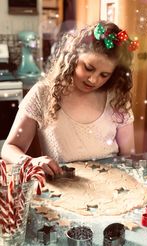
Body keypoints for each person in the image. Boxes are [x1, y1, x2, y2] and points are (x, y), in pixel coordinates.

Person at [1, 21, 137, 177]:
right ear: (73, 57)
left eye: (104, 75)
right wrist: (30, 162)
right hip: (63, 187)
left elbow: (128, 158)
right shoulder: (43, 93)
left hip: (111, 185)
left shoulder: (117, 98)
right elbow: (9, 148)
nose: (93, 80)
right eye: (88, 68)